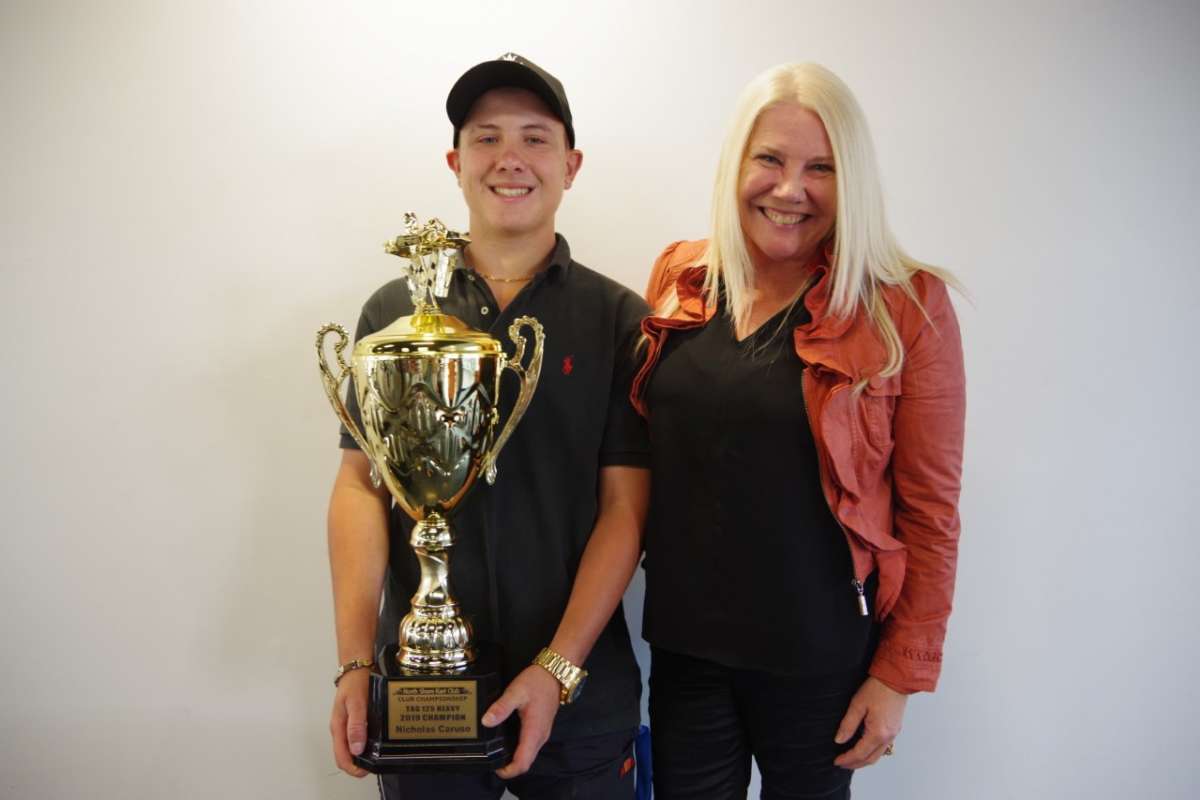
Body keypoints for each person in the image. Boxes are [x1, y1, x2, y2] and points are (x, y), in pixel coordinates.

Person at [630, 63, 966, 799]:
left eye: (822, 167)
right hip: (685, 650)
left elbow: (931, 511)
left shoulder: (906, 306)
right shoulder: (681, 278)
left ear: (853, 182)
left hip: (822, 664)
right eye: (770, 160)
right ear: (736, 165)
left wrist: (898, 675)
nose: (790, 189)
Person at [327, 53, 650, 799]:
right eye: (486, 138)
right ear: (455, 162)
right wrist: (356, 663)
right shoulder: (393, 316)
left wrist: (556, 669)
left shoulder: (618, 319)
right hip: (421, 691)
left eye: (535, 139)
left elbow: (626, 510)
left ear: (570, 166)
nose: (511, 158)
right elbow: (359, 486)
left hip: (579, 693)